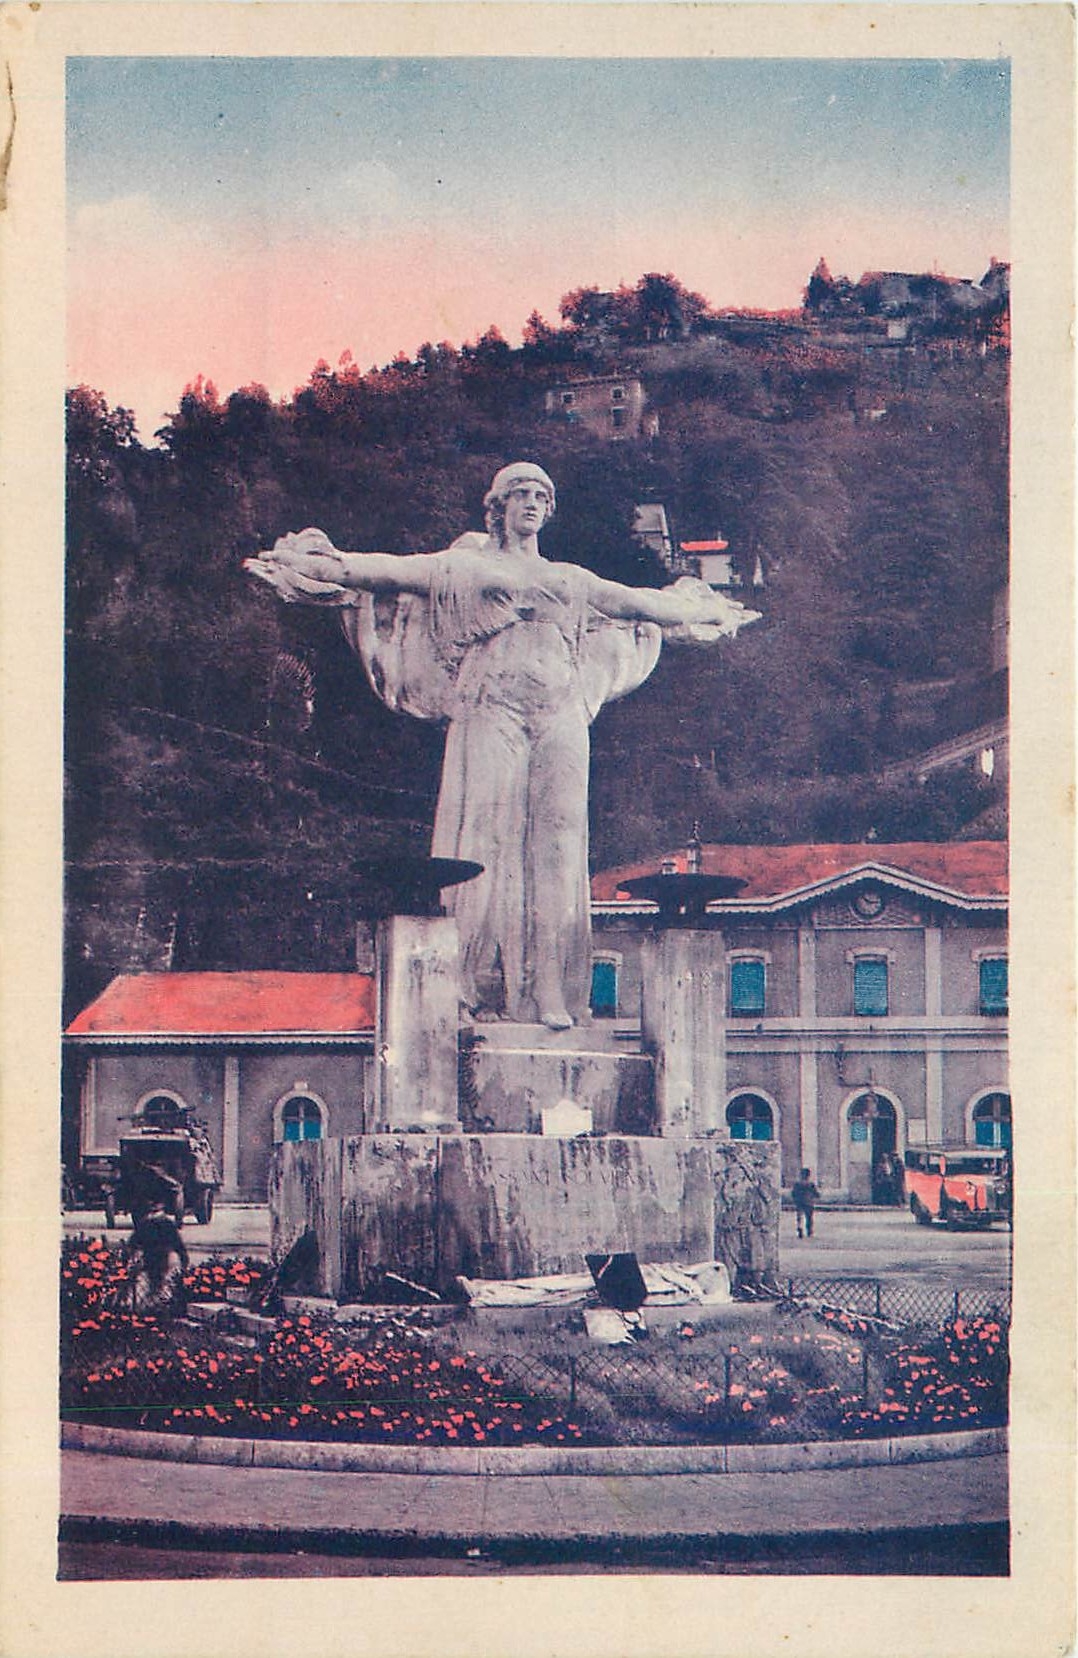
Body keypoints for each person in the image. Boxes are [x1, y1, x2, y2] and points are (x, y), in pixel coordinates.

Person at [245, 462, 758, 1029]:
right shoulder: (464, 567)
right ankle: (473, 981)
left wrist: (701, 608)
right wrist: (326, 565)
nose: (533, 503)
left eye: (542, 495)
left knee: (561, 839)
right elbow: (386, 572)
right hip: (492, 706)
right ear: (499, 506)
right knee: (486, 835)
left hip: (560, 708)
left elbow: (641, 605)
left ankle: (550, 989)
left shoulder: (570, 578)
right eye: (521, 494)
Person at [791, 1167, 820, 1239]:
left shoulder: (797, 1184)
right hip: (809, 1203)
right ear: (808, 1175)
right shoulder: (811, 1184)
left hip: (799, 1202)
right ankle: (809, 1231)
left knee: (799, 1217)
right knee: (809, 1218)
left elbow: (793, 1193)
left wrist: (795, 1199)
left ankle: (799, 1228)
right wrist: (815, 1197)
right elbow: (816, 1193)